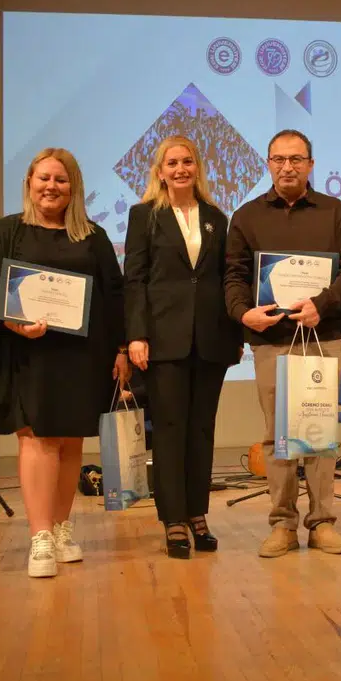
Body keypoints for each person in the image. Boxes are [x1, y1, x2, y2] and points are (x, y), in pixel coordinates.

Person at [0, 148, 128, 576]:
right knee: (37, 439)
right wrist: (14, 321)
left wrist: (120, 349)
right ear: (29, 182)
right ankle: (39, 535)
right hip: (27, 352)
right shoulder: (8, 231)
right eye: (44, 178)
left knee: (70, 441)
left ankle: (61, 527)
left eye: (61, 179)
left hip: (82, 355)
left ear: (73, 187)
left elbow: (114, 294)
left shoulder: (92, 236)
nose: (51, 186)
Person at [224, 129, 341, 558]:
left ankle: (322, 523)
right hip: (271, 341)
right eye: (279, 159)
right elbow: (233, 277)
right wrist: (243, 313)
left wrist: (323, 304)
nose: (288, 167)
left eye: (296, 159)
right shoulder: (247, 216)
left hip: (323, 338)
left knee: (319, 434)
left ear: (310, 164)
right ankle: (282, 525)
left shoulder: (335, 212)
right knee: (277, 436)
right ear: (268, 164)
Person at [124, 136, 240, 558]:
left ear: (197, 168)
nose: (180, 169)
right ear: (160, 171)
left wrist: (234, 335)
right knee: (170, 429)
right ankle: (173, 519)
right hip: (163, 338)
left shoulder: (216, 217)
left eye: (187, 161)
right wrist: (136, 335)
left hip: (211, 338)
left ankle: (197, 513)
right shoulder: (144, 216)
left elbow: (227, 279)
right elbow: (135, 279)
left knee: (202, 430)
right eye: (171, 163)